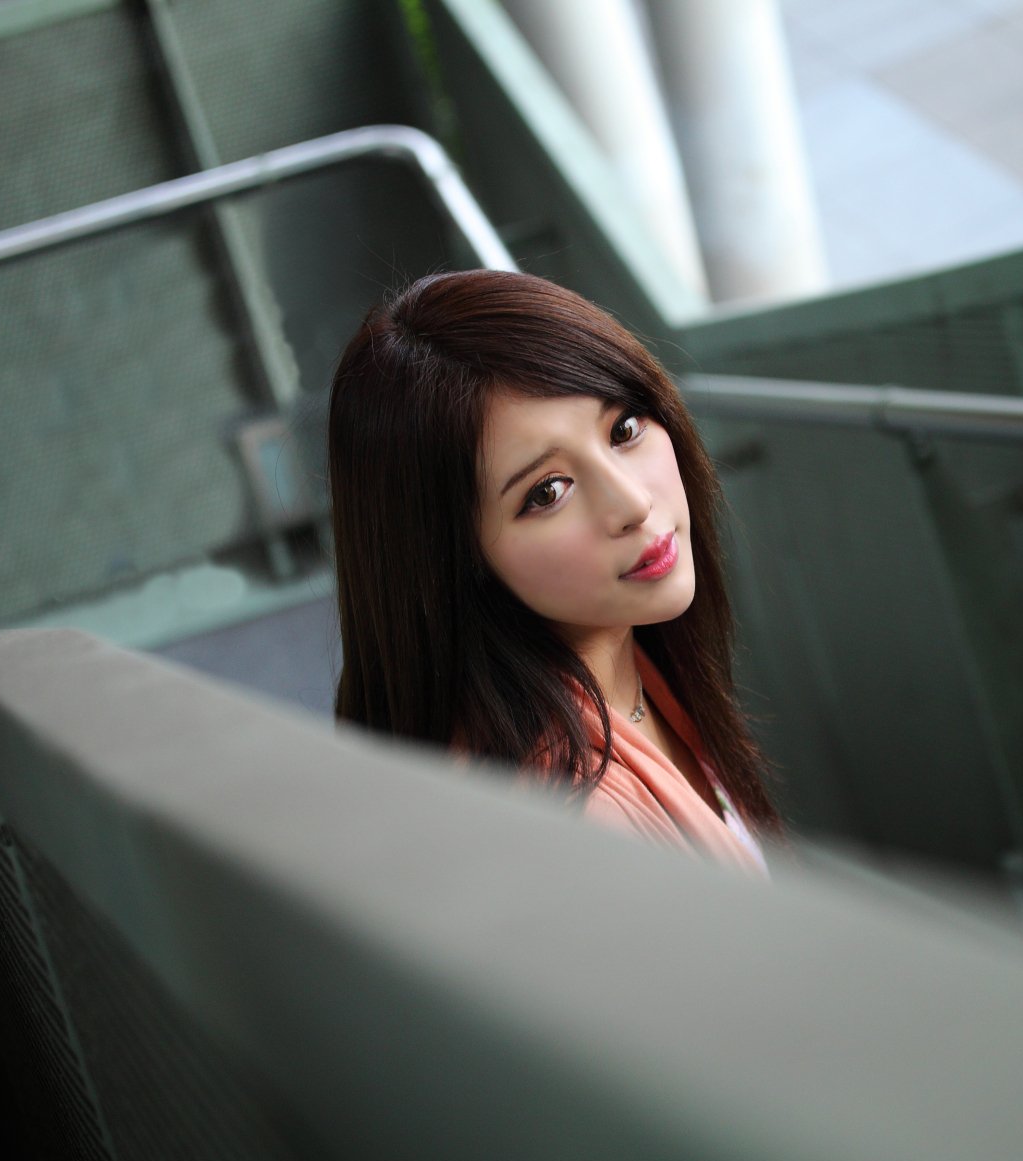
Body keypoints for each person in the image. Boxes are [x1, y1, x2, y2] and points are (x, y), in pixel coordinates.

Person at [325, 269, 783, 878]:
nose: (633, 504)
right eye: (547, 491)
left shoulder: (625, 659)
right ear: (452, 558)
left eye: (623, 429)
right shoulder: (570, 825)